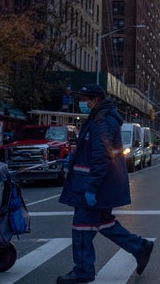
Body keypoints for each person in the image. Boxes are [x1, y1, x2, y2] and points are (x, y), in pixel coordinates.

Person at [57, 84, 154, 284]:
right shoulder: (98, 118)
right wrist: (74, 158)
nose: (81, 102)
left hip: (93, 186)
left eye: (84, 99)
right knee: (104, 223)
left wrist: (91, 189)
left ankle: (83, 271)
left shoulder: (102, 121)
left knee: (82, 227)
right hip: (99, 185)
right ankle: (139, 247)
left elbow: (101, 157)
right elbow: (91, 148)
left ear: (95, 100)